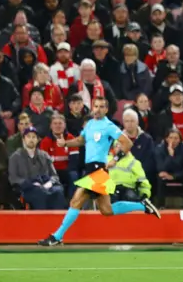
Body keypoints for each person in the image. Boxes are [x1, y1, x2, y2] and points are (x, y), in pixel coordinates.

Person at [38, 96, 161, 246]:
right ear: (92, 107)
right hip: (91, 169)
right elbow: (81, 140)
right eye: (96, 106)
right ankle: (142, 205)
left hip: (99, 170)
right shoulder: (89, 124)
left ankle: (57, 236)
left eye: (102, 107)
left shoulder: (108, 126)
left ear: (107, 110)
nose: (98, 109)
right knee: (106, 210)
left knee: (76, 200)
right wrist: (66, 143)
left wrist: (115, 159)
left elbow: (127, 143)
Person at [8, 126, 67, 210]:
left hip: (46, 185)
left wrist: (49, 183)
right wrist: (30, 184)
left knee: (58, 191)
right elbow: (13, 178)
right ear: (23, 139)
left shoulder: (44, 155)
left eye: (33, 137)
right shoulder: (15, 157)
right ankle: (41, 221)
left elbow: (54, 176)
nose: (31, 139)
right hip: (27, 188)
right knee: (38, 193)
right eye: (28, 137)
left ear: (37, 140)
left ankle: (58, 221)